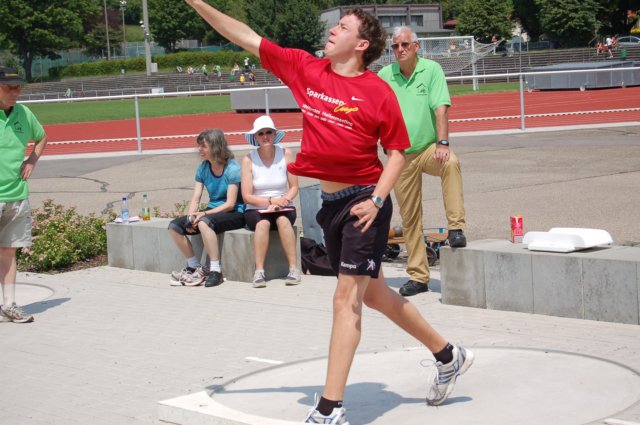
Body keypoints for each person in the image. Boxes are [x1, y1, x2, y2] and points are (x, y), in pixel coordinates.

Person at [185, 1, 474, 422]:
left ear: (361, 44)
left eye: (342, 27)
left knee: (345, 301)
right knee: (374, 295)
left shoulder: (378, 91)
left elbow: (396, 153)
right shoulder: (307, 69)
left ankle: (329, 409)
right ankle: (448, 355)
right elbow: (245, 36)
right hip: (330, 205)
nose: (332, 31)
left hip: (364, 204)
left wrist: (377, 200)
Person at [378, 26, 468, 297]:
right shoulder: (384, 76)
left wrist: (442, 143)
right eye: (395, 46)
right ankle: (418, 277)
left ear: (416, 47)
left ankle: (455, 227)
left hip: (429, 147)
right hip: (400, 156)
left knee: (450, 163)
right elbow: (375, 113)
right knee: (410, 217)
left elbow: (440, 108)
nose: (400, 50)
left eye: (405, 44)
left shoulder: (431, 70)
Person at [168, 129, 245, 288]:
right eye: (199, 146)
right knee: (174, 226)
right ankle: (194, 266)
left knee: (204, 222)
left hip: (235, 213)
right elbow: (196, 198)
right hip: (212, 212)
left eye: (203, 146)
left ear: (216, 147)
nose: (199, 150)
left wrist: (203, 214)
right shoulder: (203, 167)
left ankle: (215, 271)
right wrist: (190, 218)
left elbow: (230, 204)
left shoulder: (232, 168)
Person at [0, 67, 48, 323]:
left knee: (8, 251)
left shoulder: (24, 113)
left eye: (17, 87)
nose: (15, 92)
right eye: (8, 87)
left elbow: (41, 137)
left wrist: (32, 160)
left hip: (16, 195)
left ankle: (9, 305)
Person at [241, 115, 301, 288]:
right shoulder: (248, 159)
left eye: (269, 132)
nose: (265, 136)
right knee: (263, 224)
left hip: (283, 205)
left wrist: (284, 200)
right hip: (256, 208)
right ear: (255, 137)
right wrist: (270, 201)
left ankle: (293, 269)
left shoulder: (286, 153)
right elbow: (247, 196)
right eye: (261, 133)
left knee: (283, 221)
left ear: (275, 134)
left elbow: (294, 187)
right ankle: (259, 271)